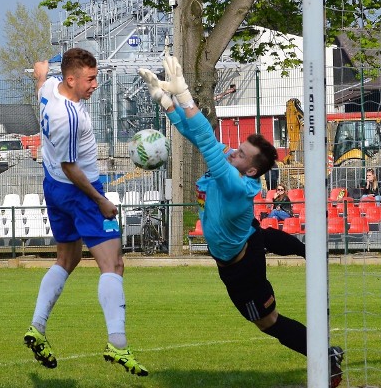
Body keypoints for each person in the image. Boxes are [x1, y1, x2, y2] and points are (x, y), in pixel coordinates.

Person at [138, 54, 344, 387]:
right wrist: (166, 102)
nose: (232, 151)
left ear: (250, 170)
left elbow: (204, 138)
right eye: (237, 148)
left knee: (269, 323)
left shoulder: (235, 185)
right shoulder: (233, 166)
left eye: (241, 153)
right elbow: (193, 134)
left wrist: (184, 93)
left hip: (241, 270)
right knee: (259, 234)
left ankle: (325, 355)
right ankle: (309, 252)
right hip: (244, 241)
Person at [25, 49, 148, 375]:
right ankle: (118, 344)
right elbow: (71, 166)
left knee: (68, 258)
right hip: (80, 191)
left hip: (53, 185)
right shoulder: (72, 116)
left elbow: (41, 85)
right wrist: (101, 201)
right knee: (113, 264)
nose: (95, 84)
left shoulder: (50, 89)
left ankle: (37, 326)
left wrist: (40, 73)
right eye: (90, 79)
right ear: (71, 79)